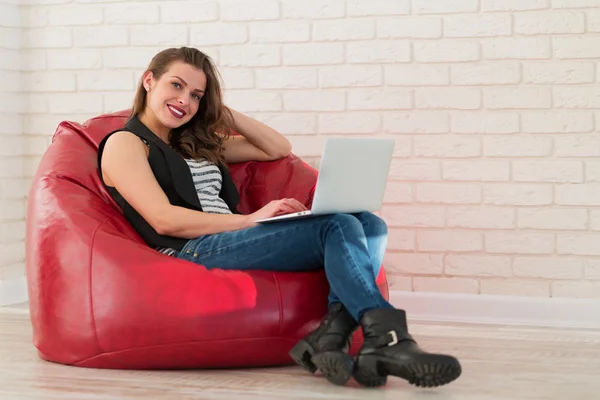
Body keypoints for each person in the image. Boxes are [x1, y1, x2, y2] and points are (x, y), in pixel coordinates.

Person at [98, 46, 462, 388]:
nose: (184, 100)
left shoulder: (195, 143)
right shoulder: (126, 143)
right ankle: (386, 339)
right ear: (149, 81)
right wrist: (252, 219)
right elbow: (164, 220)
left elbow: (275, 147)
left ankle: (330, 336)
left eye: (196, 95)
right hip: (191, 248)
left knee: (369, 223)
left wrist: (218, 110)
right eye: (176, 86)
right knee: (337, 225)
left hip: (228, 238)